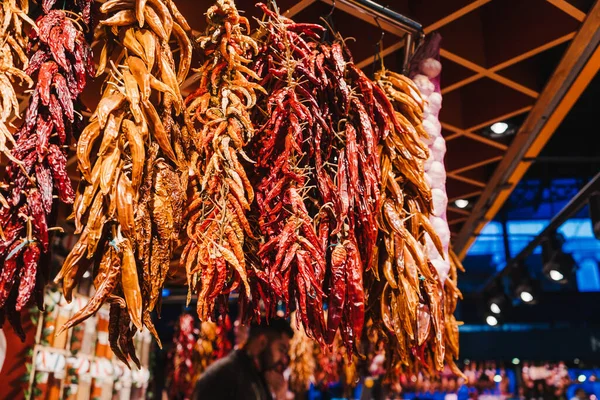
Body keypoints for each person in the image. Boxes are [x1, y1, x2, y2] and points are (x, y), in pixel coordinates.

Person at [193, 317, 294, 400]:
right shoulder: (223, 376)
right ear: (262, 342)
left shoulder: (256, 376)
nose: (284, 359)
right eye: (281, 349)